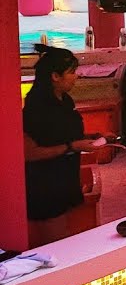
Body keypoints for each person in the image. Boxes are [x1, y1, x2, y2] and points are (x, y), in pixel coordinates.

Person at [24, 46, 105, 246]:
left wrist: (92, 137)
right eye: (72, 72)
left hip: (65, 177)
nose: (76, 76)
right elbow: (29, 153)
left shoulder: (64, 100)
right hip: (45, 185)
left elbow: (63, 135)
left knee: (69, 235)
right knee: (57, 245)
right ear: (55, 76)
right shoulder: (36, 109)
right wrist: (72, 146)